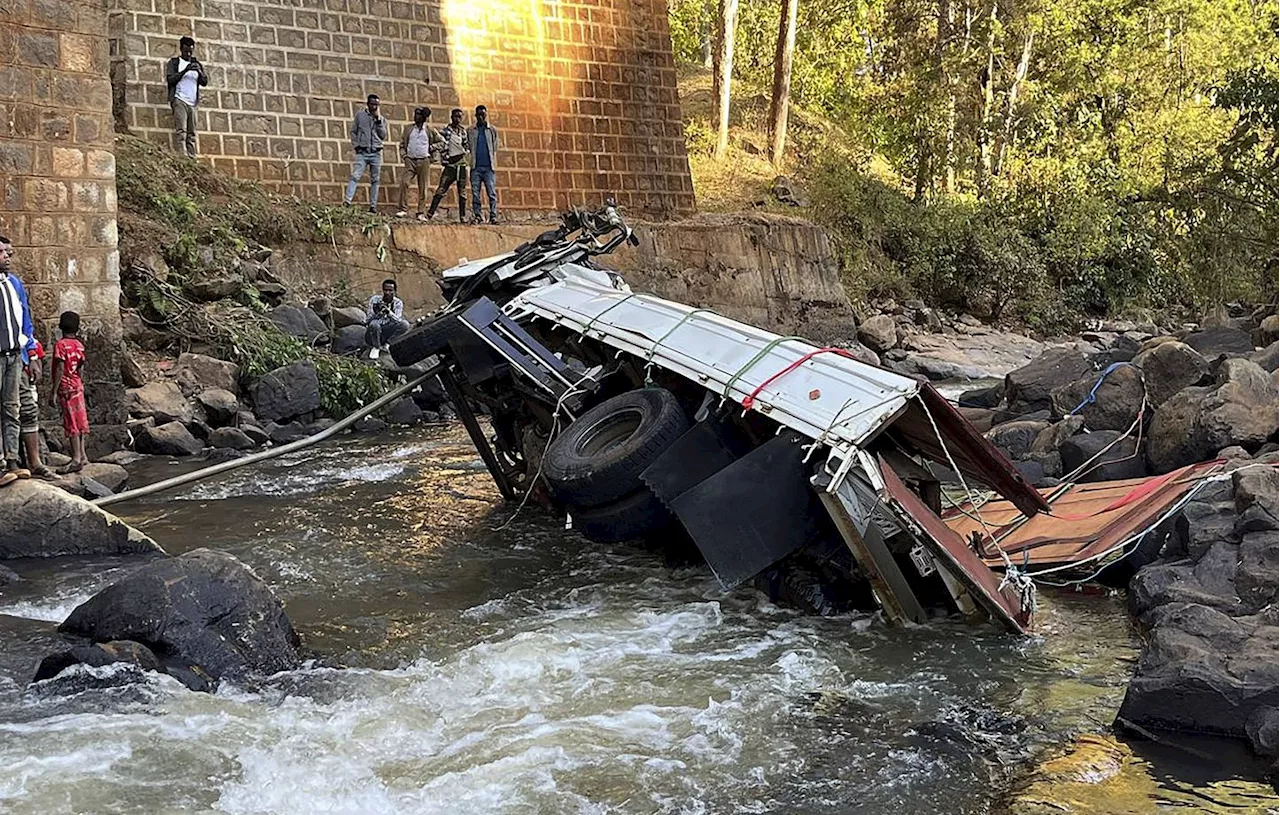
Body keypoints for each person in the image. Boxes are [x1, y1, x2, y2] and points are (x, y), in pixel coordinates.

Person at [0, 235, 37, 487]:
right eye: (2, 252)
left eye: (9, 253)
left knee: (12, 408)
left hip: (13, 355)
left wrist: (31, 352)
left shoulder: (14, 283)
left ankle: (13, 460)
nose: (7, 257)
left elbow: (25, 319)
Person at [52, 311, 89, 474]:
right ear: (78, 328)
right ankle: (83, 455)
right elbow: (81, 367)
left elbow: (60, 367)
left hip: (66, 387)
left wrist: (53, 391)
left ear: (60, 327)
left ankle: (75, 458)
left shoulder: (60, 345)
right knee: (81, 420)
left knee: (71, 421)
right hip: (77, 385)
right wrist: (81, 382)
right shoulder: (79, 345)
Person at [164, 36, 209, 159]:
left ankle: (192, 156)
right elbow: (170, 79)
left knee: (192, 133)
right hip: (179, 100)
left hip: (193, 103)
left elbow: (204, 81)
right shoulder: (174, 63)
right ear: (181, 49)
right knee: (181, 131)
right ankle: (182, 156)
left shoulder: (196, 63)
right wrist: (185, 71)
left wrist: (199, 71)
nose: (188, 53)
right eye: (186, 51)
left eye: (190, 51)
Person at [344, 94, 389, 213]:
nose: (374, 107)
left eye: (377, 105)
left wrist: (378, 120)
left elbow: (383, 135)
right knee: (355, 176)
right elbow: (353, 131)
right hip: (362, 152)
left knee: (375, 180)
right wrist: (356, 145)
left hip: (376, 152)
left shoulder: (382, 119)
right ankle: (347, 201)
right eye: (373, 104)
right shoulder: (360, 116)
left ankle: (373, 206)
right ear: (368, 104)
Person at [19, 339, 54, 479]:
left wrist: (32, 358)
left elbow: (26, 331)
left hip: (17, 360)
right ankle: (12, 463)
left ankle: (35, 462)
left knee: (28, 411)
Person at [396, 107, 440, 220]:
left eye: (419, 115)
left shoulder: (429, 130)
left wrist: (432, 147)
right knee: (404, 182)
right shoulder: (408, 129)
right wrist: (404, 156)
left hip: (424, 160)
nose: (416, 117)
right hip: (410, 160)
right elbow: (402, 144)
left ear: (424, 118)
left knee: (423, 187)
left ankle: (420, 212)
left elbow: (442, 142)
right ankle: (403, 209)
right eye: (415, 114)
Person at [428, 108, 469, 222]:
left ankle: (462, 216)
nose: (457, 119)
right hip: (450, 165)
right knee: (441, 190)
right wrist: (441, 155)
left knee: (462, 192)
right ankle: (430, 213)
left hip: (461, 165)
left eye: (459, 117)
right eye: (455, 116)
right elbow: (440, 143)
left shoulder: (463, 132)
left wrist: (464, 151)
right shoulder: (446, 131)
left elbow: (466, 145)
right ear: (451, 117)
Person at [467, 104, 500, 225]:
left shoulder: (492, 130)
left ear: (486, 115)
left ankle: (493, 215)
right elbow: (467, 146)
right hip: (475, 167)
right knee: (475, 193)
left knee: (491, 192)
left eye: (483, 115)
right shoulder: (470, 130)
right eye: (479, 115)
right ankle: (478, 215)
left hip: (488, 167)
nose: (481, 117)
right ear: (476, 116)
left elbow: (495, 145)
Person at [365, 279, 409, 359]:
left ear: (394, 291)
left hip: (388, 329)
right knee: (374, 324)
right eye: (385, 290)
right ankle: (376, 347)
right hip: (374, 331)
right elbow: (367, 321)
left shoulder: (397, 302)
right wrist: (377, 313)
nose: (387, 293)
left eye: (390, 290)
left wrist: (389, 312)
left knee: (405, 324)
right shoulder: (375, 300)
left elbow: (398, 320)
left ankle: (388, 344)